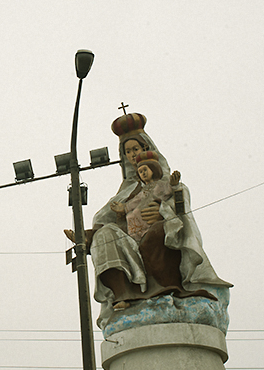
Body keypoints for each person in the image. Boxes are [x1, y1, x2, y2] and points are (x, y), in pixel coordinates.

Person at [65, 113, 232, 324]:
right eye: (127, 152)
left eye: (136, 149)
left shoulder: (164, 182)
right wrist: (86, 236)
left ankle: (166, 288)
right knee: (104, 237)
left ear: (146, 150)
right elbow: (105, 220)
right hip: (130, 240)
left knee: (158, 233)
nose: (132, 155)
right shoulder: (126, 191)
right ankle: (123, 295)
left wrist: (163, 211)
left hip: (157, 236)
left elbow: (179, 199)